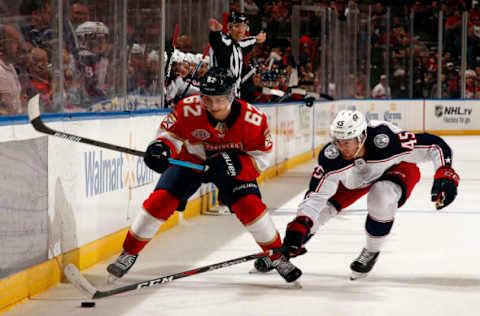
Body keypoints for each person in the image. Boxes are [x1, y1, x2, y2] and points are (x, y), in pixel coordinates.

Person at [106, 67, 302, 283]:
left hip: (231, 169)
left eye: (220, 99)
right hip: (191, 162)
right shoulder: (188, 109)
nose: (214, 106)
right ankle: (129, 252)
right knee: (160, 202)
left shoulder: (253, 119)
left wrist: (231, 165)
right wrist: (160, 149)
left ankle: (277, 256)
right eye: (207, 99)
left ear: (231, 95)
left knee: (250, 207)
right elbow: (169, 135)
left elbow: (261, 159)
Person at [265, 109, 459, 280]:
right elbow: (315, 198)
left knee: (380, 196)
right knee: (323, 210)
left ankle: (372, 251)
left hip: (396, 168)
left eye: (347, 142)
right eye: (337, 141)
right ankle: (283, 252)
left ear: (362, 137)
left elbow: (434, 144)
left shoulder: (388, 141)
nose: (341, 148)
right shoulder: (332, 157)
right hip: (357, 177)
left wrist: (445, 173)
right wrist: (299, 227)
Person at [208, 11, 266, 98]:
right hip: (219, 98)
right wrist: (215, 33)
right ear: (229, 27)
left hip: (235, 97)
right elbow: (218, 44)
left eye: (244, 26)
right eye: (237, 26)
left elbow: (247, 42)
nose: (241, 31)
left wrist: (257, 39)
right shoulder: (224, 43)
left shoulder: (239, 45)